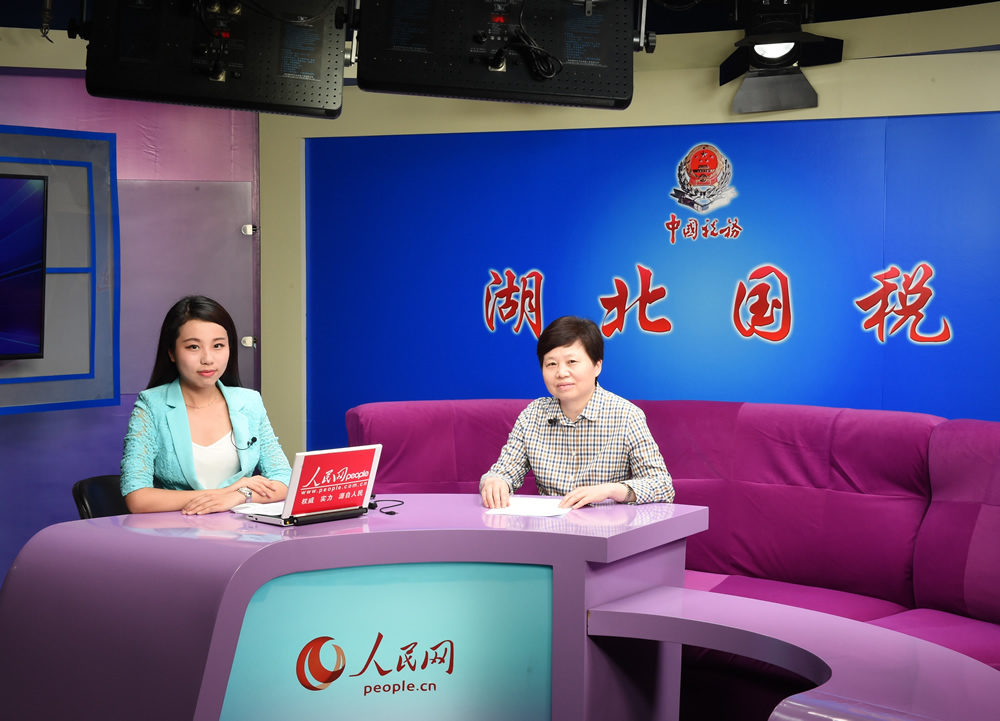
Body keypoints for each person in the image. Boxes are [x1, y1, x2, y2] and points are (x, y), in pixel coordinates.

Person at [480, 316, 674, 510]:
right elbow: (502, 472)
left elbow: (662, 486)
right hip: (550, 526)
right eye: (551, 364)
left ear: (597, 366)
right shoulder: (533, 415)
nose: (561, 373)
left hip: (606, 524)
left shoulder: (626, 416)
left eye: (571, 361)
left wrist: (611, 490)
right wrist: (495, 482)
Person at [121, 295, 292, 514]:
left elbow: (284, 479)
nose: (208, 359)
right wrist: (225, 492)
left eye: (218, 345)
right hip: (177, 530)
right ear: (172, 352)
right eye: (193, 347)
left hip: (242, 530)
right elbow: (138, 498)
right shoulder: (151, 406)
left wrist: (238, 496)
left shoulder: (249, 402)